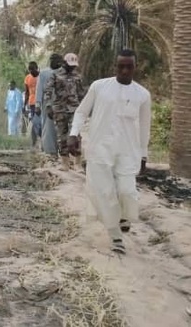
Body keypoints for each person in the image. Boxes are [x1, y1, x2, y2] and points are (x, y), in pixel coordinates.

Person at [68, 49, 150, 255]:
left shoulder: (142, 95)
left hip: (128, 151)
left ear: (134, 67)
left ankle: (124, 216)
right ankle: (116, 237)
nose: (124, 70)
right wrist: (74, 133)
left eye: (128, 66)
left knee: (127, 190)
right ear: (115, 67)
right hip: (100, 149)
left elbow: (144, 127)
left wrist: (143, 155)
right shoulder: (99, 87)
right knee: (105, 193)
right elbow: (81, 111)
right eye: (120, 66)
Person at [45, 53, 87, 171]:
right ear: (64, 63)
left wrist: (84, 109)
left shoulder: (77, 76)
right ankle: (65, 162)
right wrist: (48, 106)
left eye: (74, 66)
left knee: (76, 135)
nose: (72, 68)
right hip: (60, 109)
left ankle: (77, 163)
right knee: (62, 135)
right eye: (70, 65)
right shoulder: (55, 75)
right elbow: (48, 90)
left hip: (75, 109)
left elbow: (81, 93)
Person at [36, 53, 63, 157]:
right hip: (47, 103)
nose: (56, 62)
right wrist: (37, 104)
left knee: (61, 127)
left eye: (58, 60)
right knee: (48, 125)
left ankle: (60, 149)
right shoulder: (43, 73)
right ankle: (49, 150)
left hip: (61, 102)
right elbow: (39, 89)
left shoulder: (63, 72)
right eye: (54, 59)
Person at [24, 62, 42, 148]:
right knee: (34, 123)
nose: (32, 72)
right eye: (30, 70)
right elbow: (27, 92)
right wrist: (24, 105)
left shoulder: (41, 77)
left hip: (41, 103)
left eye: (33, 69)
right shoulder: (27, 78)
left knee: (41, 123)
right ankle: (34, 143)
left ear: (37, 68)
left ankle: (43, 141)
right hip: (32, 103)